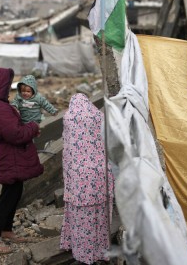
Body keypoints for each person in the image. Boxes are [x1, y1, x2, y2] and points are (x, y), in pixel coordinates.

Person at [0, 67, 43, 254]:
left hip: (11, 155)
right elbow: (15, 135)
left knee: (15, 191)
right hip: (11, 155)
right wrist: (33, 127)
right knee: (8, 196)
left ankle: (6, 230)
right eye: (7, 85)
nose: (9, 89)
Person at [60, 93, 115, 264]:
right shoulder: (99, 116)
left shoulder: (69, 117)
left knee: (81, 216)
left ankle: (83, 253)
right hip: (101, 174)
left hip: (78, 177)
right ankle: (101, 251)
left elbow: (67, 147)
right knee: (101, 215)